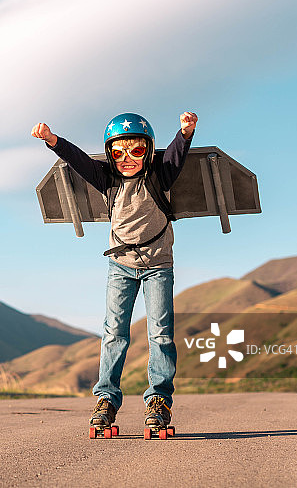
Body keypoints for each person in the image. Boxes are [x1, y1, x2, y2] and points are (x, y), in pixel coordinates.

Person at [31, 111, 197, 430]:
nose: (127, 159)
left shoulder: (160, 176)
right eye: (119, 152)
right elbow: (78, 160)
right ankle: (106, 399)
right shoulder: (108, 180)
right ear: (110, 154)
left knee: (160, 333)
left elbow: (176, 156)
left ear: (147, 150)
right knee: (114, 333)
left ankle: (158, 402)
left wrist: (186, 133)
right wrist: (52, 140)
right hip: (120, 266)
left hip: (158, 267)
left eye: (135, 150)